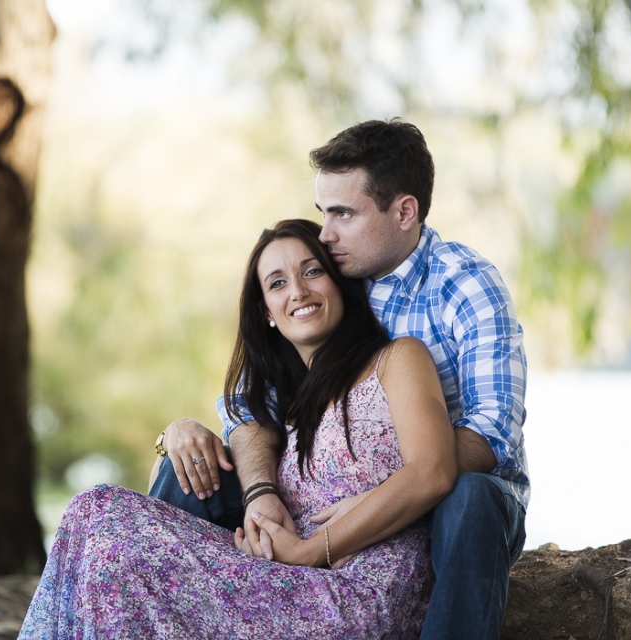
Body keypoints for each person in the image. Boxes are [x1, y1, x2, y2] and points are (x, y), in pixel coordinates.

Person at [150, 119, 529, 639]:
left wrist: (385, 492)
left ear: (404, 211)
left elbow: (492, 435)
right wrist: (254, 484)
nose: (326, 234)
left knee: (472, 497)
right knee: (190, 473)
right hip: (324, 501)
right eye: (322, 213)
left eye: (343, 214)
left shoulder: (464, 285)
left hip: (450, 499)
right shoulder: (335, 279)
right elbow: (254, 403)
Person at [20, 219, 456, 638]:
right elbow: (185, 470)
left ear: (340, 282)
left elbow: (432, 472)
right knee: (93, 519)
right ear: (266, 312)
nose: (299, 291)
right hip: (285, 576)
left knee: (99, 508)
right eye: (278, 283)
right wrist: (176, 431)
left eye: (312, 271)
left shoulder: (398, 359)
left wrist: (311, 549)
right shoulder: (284, 407)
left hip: (357, 595)